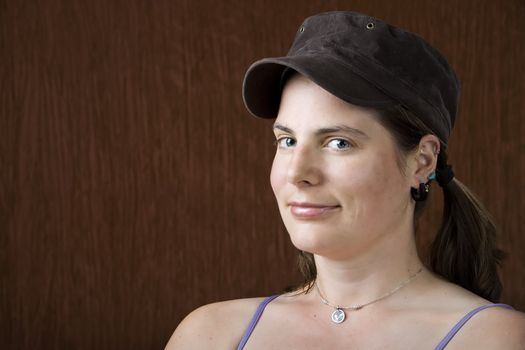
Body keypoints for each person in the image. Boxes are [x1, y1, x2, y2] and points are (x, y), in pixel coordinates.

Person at [166, 11, 525, 349]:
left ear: (423, 161)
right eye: (287, 140)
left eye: (339, 142)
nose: (297, 173)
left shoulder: (492, 339)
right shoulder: (210, 335)